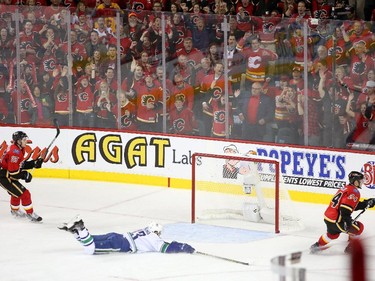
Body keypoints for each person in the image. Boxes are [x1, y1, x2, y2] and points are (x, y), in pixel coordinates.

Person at [58, 216, 195, 255]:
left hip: (117, 236)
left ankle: (75, 232)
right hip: (121, 244)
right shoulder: (155, 239)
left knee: (89, 240)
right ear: (156, 232)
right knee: (90, 249)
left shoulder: (145, 230)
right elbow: (167, 248)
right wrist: (183, 247)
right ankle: (81, 227)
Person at [310, 171, 375, 254]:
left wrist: (366, 203)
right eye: (360, 180)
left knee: (332, 235)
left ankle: (316, 246)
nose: (362, 182)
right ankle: (351, 248)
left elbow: (351, 205)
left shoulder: (346, 188)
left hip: (329, 219)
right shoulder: (354, 191)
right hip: (338, 220)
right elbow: (345, 209)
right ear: (355, 181)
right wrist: (348, 223)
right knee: (359, 228)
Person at [0, 131, 43, 222]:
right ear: (18, 141)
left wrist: (33, 163)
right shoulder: (14, 152)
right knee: (25, 194)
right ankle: (30, 214)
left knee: (16, 192)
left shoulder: (18, 149)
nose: (26, 141)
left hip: (6, 174)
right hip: (4, 176)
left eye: (26, 139)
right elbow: (13, 173)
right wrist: (24, 175)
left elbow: (19, 165)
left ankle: (15, 211)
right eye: (24, 139)